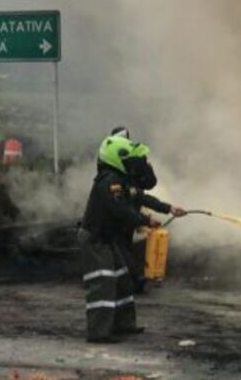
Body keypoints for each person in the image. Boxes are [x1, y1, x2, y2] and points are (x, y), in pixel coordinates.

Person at [80, 131, 187, 343]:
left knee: (122, 280)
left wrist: (169, 208)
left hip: (108, 239)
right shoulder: (109, 182)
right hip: (96, 240)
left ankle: (124, 324)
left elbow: (142, 197)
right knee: (103, 284)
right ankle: (99, 333)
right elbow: (120, 210)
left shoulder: (121, 180)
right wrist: (145, 221)